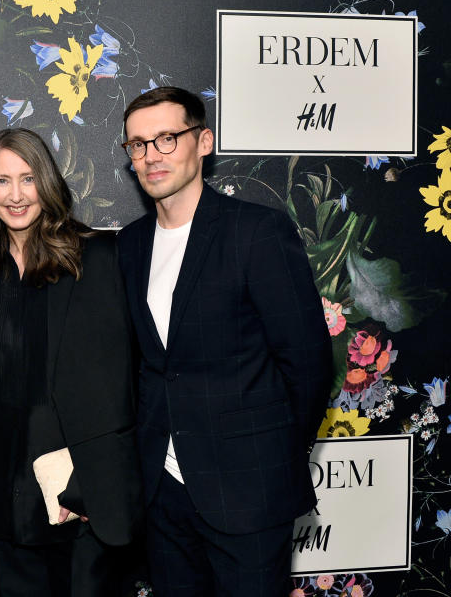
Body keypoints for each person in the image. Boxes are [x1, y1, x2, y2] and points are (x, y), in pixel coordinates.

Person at [115, 86, 333, 595]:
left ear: (204, 141)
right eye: (138, 145)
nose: (151, 155)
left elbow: (308, 365)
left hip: (248, 489)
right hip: (162, 493)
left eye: (167, 139)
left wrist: (263, 453)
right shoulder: (129, 245)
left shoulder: (256, 232)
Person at [0, 127, 142, 597]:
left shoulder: (95, 258)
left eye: (27, 179)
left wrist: (84, 483)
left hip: (77, 490)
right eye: (1, 181)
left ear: (49, 183)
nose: (15, 195)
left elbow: (119, 384)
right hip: (0, 485)